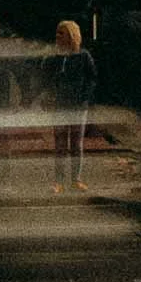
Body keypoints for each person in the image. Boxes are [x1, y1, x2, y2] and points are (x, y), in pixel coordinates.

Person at [42, 20, 97, 192]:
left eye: (62, 33)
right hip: (59, 104)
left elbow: (91, 78)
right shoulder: (54, 57)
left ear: (72, 36)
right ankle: (58, 181)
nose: (57, 36)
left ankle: (76, 179)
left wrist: (84, 97)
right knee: (60, 144)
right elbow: (46, 78)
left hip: (78, 105)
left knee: (76, 143)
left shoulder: (83, 56)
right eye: (57, 33)